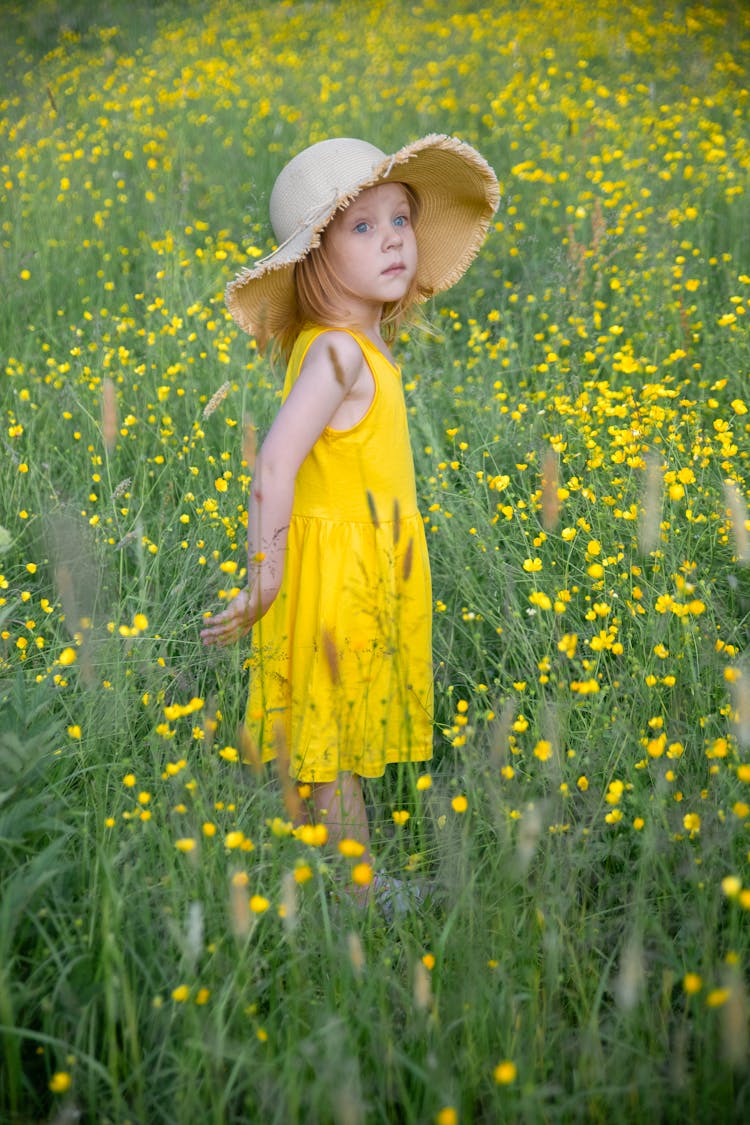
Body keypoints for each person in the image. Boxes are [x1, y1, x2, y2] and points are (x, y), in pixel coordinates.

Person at [201, 134, 498, 907]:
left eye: (399, 218)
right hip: (333, 576)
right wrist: (265, 577)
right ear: (317, 257)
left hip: (360, 566)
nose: (393, 237)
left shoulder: (351, 346)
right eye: (361, 227)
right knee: (325, 746)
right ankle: (360, 898)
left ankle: (337, 880)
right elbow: (274, 462)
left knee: (323, 742)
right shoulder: (336, 355)